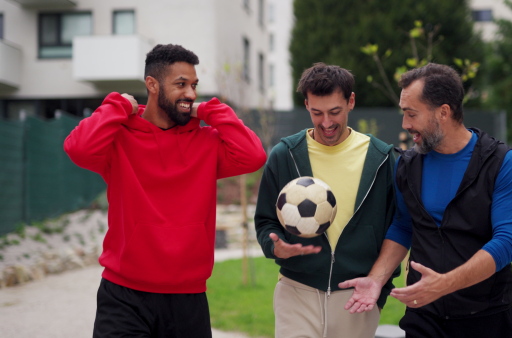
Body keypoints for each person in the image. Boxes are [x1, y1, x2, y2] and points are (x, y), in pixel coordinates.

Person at [64, 44, 266, 338]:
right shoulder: (118, 139)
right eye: (181, 85)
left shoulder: (206, 142)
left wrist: (210, 109)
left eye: (194, 85)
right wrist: (118, 105)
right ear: (152, 85)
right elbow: (78, 148)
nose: (191, 94)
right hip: (124, 296)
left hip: (188, 299)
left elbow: (253, 155)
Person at [340, 63, 512, 337]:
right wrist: (376, 279)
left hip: (486, 316)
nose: (405, 124)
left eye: (411, 114)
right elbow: (403, 227)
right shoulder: (407, 165)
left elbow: (508, 242)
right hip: (423, 316)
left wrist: (445, 284)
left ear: (443, 112)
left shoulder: (501, 163)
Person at [254, 62, 399, 338]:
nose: (326, 123)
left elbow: (398, 228)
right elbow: (265, 222)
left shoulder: (381, 159)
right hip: (296, 289)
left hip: (355, 296)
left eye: (335, 112)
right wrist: (275, 247)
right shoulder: (285, 155)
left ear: (351, 102)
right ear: (306, 104)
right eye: (316, 112)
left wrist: (380, 286)